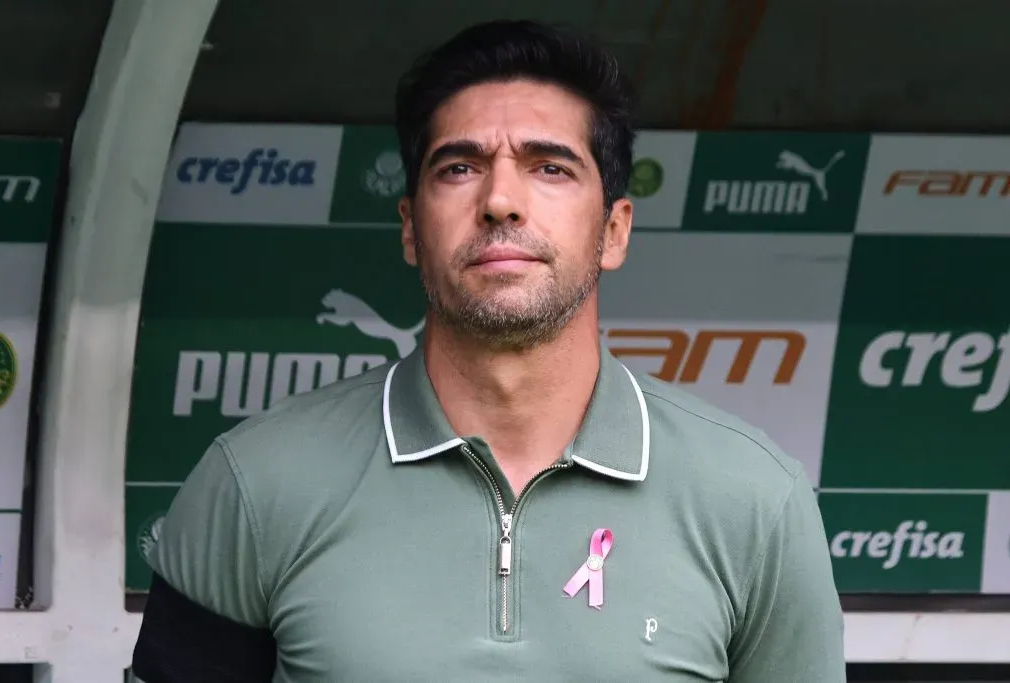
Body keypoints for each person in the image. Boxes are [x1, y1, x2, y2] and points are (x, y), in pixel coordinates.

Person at [131, 19, 846, 683]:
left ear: (615, 230)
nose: (502, 200)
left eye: (550, 167)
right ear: (411, 228)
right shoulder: (255, 483)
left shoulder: (755, 499)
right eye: (459, 167)